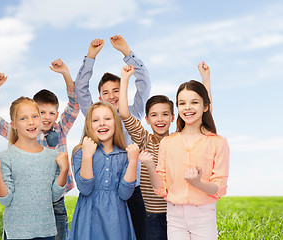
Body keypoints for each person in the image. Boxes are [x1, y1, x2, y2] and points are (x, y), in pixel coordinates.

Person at [0, 59, 79, 240]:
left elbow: (74, 104)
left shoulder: (61, 128)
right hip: (23, 205)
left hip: (54, 201)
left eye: (51, 113)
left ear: (57, 115)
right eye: (39, 113)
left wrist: (66, 74)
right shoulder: (18, 132)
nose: (44, 118)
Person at [119, 62, 212, 239]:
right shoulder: (144, 139)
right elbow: (124, 113)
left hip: (177, 212)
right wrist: (125, 79)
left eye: (164, 114)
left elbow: (204, 115)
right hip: (151, 215)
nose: (159, 119)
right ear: (146, 119)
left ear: (172, 117)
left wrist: (205, 79)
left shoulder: (180, 139)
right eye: (154, 115)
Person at [75, 35, 150, 239]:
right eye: (106, 93)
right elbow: (80, 90)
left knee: (139, 233)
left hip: (132, 188)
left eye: (117, 90)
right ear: (99, 98)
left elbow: (144, 83)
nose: (112, 96)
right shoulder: (96, 116)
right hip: (101, 190)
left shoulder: (133, 113)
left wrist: (127, 52)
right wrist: (91, 56)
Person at [140, 79, 229, 240]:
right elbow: (161, 188)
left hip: (203, 215)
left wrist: (198, 183)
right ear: (178, 108)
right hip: (174, 216)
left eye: (194, 102)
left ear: (206, 106)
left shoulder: (218, 142)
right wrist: (150, 167)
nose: (187, 107)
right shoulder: (168, 142)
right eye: (182, 103)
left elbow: (219, 187)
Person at [0, 96, 69, 240]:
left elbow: (54, 196)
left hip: (47, 231)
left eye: (35, 116)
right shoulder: (6, 156)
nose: (31, 122)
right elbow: (6, 200)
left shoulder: (52, 156)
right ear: (14, 125)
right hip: (16, 233)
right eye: (23, 118)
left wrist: (65, 170)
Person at [68, 101, 139, 240]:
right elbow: (85, 188)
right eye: (95, 120)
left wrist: (133, 162)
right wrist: (87, 156)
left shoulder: (124, 155)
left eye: (107, 118)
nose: (102, 123)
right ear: (89, 125)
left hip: (116, 220)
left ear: (116, 123)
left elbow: (125, 194)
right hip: (88, 218)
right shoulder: (80, 152)